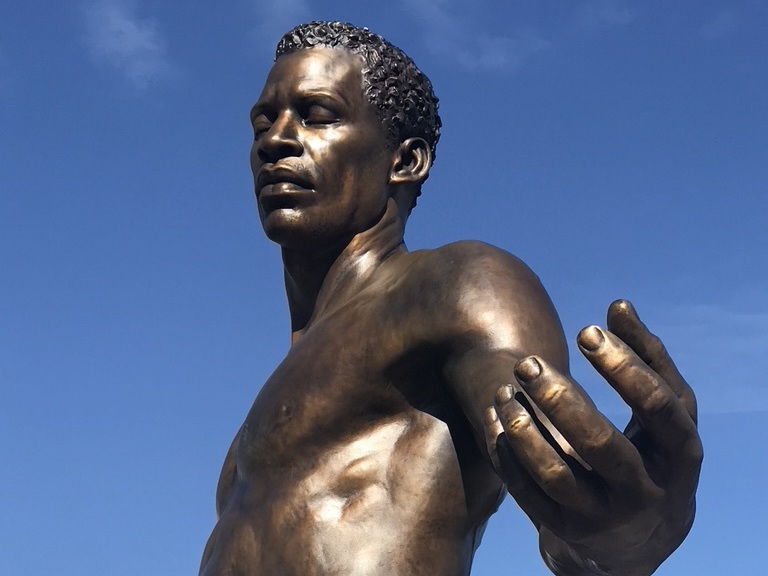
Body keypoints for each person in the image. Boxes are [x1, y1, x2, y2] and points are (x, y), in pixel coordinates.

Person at [199, 21, 701, 576]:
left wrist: (612, 528)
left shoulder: (456, 282)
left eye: (317, 115)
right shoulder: (259, 418)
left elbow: (548, 459)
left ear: (405, 161)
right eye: (262, 121)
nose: (276, 139)